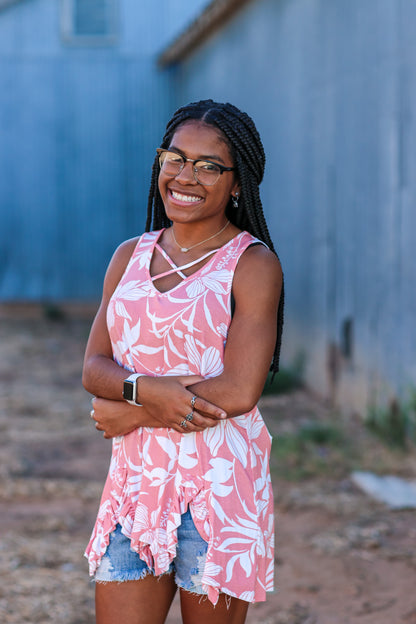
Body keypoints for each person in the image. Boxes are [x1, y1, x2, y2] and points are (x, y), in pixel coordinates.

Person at [82, 99, 284, 624]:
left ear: (237, 184)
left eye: (209, 165)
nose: (186, 175)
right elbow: (94, 368)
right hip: (136, 487)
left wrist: (133, 409)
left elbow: (240, 389)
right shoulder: (129, 255)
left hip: (219, 488)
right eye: (175, 157)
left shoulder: (252, 263)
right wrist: (147, 392)